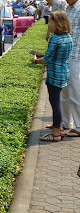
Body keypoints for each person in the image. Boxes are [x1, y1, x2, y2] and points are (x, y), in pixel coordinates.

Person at [44, 0, 80, 136]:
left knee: (74, 92)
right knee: (64, 93)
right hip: (64, 57)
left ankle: (79, 127)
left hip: (76, 57)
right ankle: (65, 122)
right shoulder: (65, 7)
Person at [32, 11, 73, 141]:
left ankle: (56, 133)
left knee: (55, 103)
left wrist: (35, 60)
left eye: (51, 21)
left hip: (54, 74)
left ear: (57, 23)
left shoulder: (55, 38)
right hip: (64, 72)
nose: (49, 24)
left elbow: (47, 59)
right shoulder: (68, 37)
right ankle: (58, 126)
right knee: (58, 101)